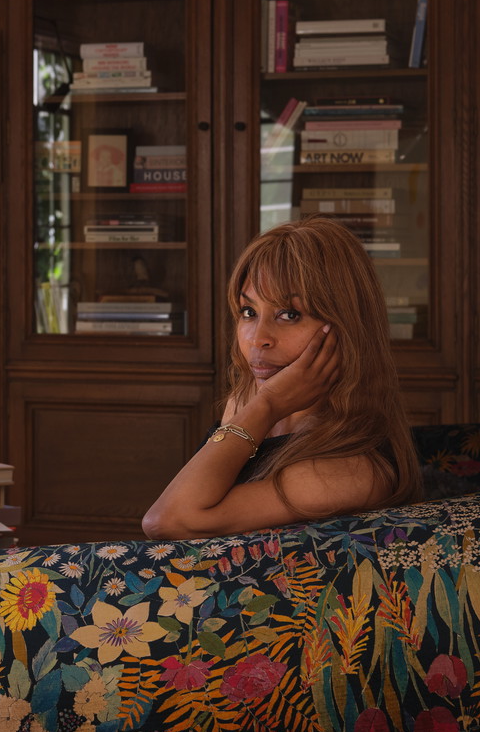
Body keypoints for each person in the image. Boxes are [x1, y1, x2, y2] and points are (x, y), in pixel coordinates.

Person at [142, 215, 422, 539]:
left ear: (346, 328)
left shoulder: (353, 471)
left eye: (289, 315)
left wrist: (267, 406)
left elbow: (166, 521)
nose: (258, 338)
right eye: (249, 312)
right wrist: (263, 408)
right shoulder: (248, 400)